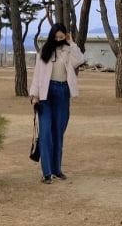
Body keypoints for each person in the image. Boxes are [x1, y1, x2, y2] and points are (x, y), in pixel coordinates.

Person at [29, 23, 84, 184]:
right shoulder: (44, 53)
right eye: (56, 37)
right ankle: (46, 173)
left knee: (58, 132)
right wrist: (34, 96)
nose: (59, 40)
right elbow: (37, 76)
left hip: (62, 92)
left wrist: (72, 42)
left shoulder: (68, 52)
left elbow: (80, 59)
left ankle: (56, 169)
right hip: (46, 94)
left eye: (62, 37)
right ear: (52, 36)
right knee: (45, 132)